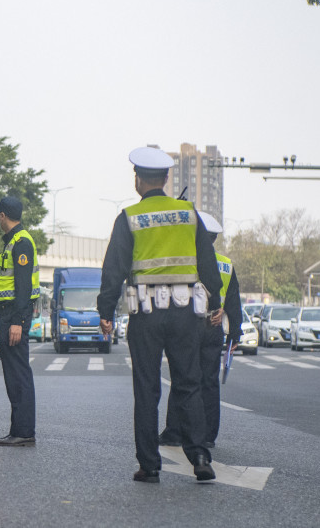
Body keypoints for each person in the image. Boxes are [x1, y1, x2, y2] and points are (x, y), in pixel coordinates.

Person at [97, 147, 223, 483]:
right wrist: (215, 303)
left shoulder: (128, 218)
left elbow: (113, 269)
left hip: (146, 315)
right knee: (189, 382)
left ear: (138, 180)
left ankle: (150, 465)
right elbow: (208, 264)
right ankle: (198, 455)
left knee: (147, 388)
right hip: (185, 315)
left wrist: (105, 312)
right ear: (167, 179)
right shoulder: (188, 213)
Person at [159, 212, 242, 449]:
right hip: (213, 328)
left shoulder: (185, 260)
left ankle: (175, 432)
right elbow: (233, 300)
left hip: (186, 328)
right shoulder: (226, 264)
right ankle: (207, 435)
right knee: (209, 383)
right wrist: (234, 332)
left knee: (182, 378)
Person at [0, 196, 38, 447]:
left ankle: (23, 431)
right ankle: (19, 429)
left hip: (14, 315)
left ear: (3, 216)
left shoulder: (21, 243)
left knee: (18, 373)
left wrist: (18, 321)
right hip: (9, 313)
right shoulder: (14, 242)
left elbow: (23, 285)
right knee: (14, 373)